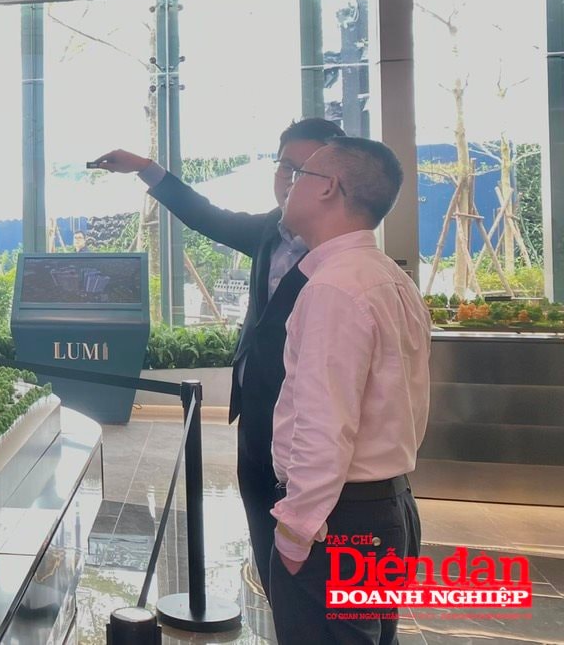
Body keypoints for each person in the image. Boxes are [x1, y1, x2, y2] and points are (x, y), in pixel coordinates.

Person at [91, 117, 344, 599]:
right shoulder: (270, 230)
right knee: (268, 547)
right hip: (256, 414)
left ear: (336, 181)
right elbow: (204, 215)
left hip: (312, 428)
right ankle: (282, 607)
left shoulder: (347, 262)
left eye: (305, 169)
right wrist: (146, 168)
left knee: (320, 575)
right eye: (284, 167)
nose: (289, 180)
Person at [268, 137, 430, 645]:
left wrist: (297, 529)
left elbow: (324, 424)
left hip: (338, 519)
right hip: (386, 506)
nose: (288, 185)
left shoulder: (334, 289)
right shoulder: (387, 277)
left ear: (328, 188)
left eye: (299, 174)